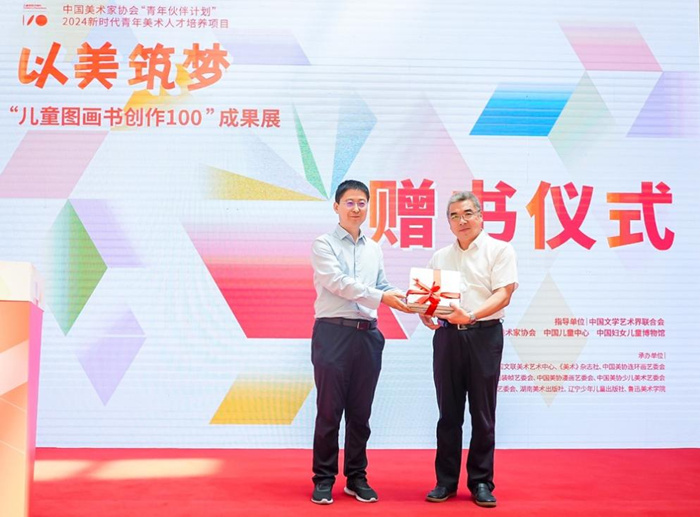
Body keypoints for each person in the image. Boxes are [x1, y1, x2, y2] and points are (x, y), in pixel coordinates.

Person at [310, 179, 409, 505]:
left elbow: (382, 285)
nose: (356, 208)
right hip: (333, 334)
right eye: (349, 202)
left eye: (362, 203)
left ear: (368, 207)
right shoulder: (323, 244)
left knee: (360, 413)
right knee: (329, 411)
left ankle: (356, 477)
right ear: (336, 207)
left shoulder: (374, 248)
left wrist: (410, 299)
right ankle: (324, 478)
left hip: (367, 335)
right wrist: (383, 297)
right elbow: (338, 283)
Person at [420, 191, 518, 508]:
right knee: (448, 414)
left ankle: (481, 482)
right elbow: (430, 298)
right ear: (448, 222)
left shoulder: (499, 250)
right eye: (454, 216)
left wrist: (472, 315)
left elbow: (504, 294)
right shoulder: (439, 257)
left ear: (480, 216)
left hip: (484, 336)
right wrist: (425, 312)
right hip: (447, 338)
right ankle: (445, 482)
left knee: (482, 413)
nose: (461, 221)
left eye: (467, 214)